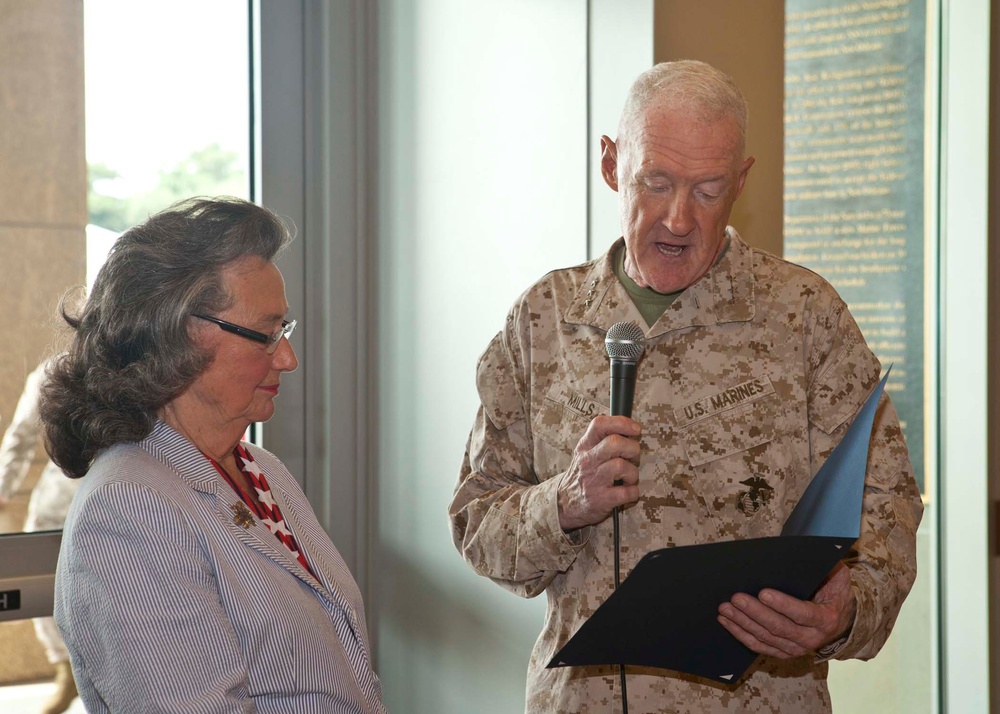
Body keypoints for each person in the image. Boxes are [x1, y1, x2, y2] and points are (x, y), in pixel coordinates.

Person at [448, 60, 923, 713]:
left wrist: (846, 611)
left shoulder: (804, 315)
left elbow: (889, 506)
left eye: (707, 190)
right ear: (612, 164)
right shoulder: (543, 320)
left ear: (742, 183)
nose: (677, 219)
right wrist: (563, 501)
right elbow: (477, 523)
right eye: (657, 182)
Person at [39, 197, 386, 713]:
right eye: (266, 335)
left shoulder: (261, 471)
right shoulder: (128, 508)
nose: (288, 358)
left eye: (284, 332)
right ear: (177, 334)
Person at [0, 358, 80, 714]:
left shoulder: (139, 360)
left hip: (123, 491)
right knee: (39, 583)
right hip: (57, 501)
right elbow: (21, 433)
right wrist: (3, 488)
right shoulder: (54, 369)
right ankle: (66, 671)